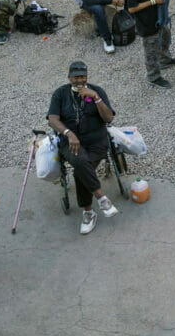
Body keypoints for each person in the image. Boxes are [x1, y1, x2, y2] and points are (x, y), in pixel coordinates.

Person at [47, 61, 120, 234]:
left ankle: (89, 211)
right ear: (69, 77)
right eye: (76, 77)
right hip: (71, 142)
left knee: (80, 169)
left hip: (96, 141)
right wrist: (68, 133)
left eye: (82, 76)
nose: (79, 80)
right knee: (80, 161)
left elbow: (109, 118)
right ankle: (101, 199)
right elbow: (52, 119)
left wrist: (96, 98)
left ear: (86, 76)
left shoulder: (96, 91)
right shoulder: (60, 94)